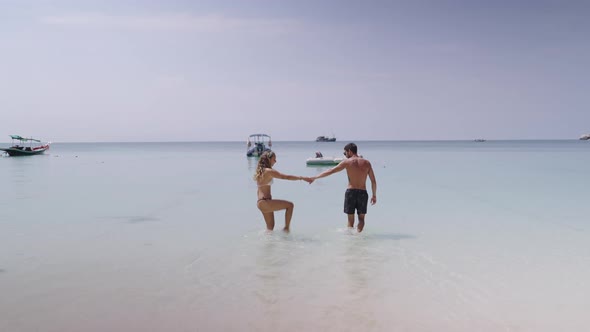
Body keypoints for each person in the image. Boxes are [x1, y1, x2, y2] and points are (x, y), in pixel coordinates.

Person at [311, 143, 377, 232]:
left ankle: (350, 240)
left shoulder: (347, 162)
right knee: (361, 219)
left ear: (349, 151)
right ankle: (358, 236)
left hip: (351, 192)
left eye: (345, 153)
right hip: (363, 193)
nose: (345, 155)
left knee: (350, 220)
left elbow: (331, 171)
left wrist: (315, 177)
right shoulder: (367, 163)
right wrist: (374, 195)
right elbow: (373, 181)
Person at [254, 150, 313, 232]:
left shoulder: (260, 172)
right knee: (290, 205)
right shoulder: (269, 171)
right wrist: (302, 178)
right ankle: (286, 229)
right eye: (274, 159)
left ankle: (269, 244)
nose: (275, 161)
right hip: (265, 202)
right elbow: (286, 177)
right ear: (269, 159)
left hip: (261, 202)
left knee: (270, 228)